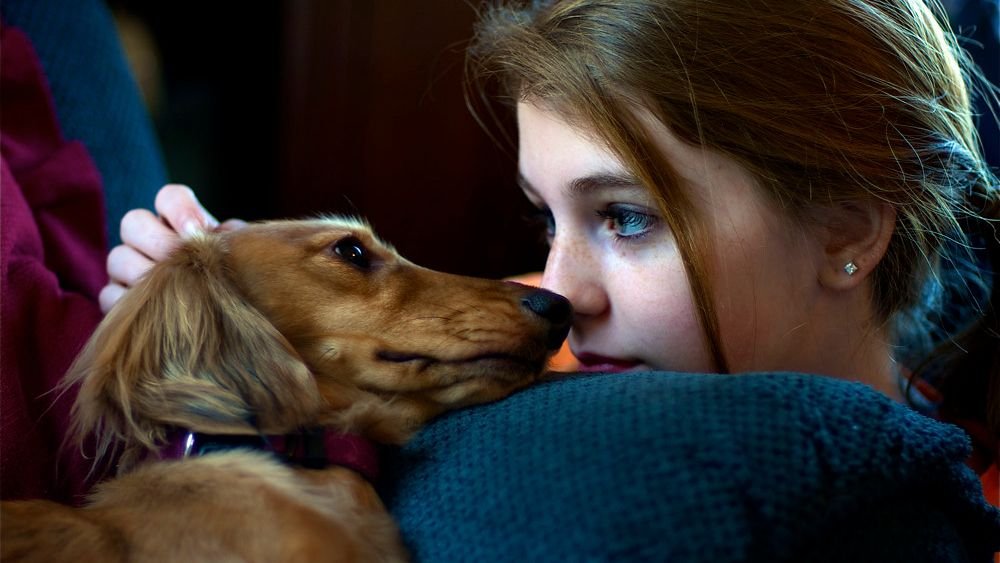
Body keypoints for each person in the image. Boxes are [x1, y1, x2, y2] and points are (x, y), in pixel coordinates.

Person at [105, 0, 998, 504]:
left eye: (627, 219)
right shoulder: (516, 346)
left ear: (845, 231)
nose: (560, 293)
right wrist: (223, 301)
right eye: (546, 220)